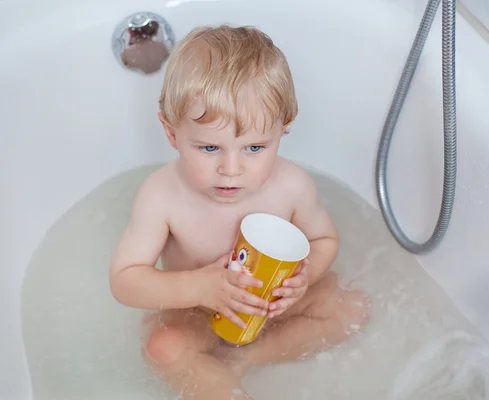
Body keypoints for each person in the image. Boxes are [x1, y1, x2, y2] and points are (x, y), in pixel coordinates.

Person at [109, 24, 370, 399]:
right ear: (171, 134)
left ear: (283, 131)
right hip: (195, 312)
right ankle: (221, 384)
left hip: (273, 306)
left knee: (352, 307)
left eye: (254, 148)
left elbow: (323, 238)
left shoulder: (292, 185)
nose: (231, 169)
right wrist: (198, 286)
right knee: (163, 348)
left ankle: (244, 360)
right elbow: (124, 279)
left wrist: (302, 280)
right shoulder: (162, 196)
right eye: (210, 149)